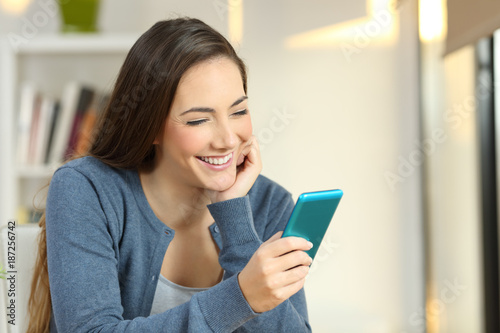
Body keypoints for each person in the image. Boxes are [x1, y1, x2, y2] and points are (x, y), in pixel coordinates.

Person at [28, 17, 313, 332]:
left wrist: (236, 220)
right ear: (150, 127)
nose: (228, 140)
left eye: (238, 111)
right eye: (198, 120)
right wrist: (240, 296)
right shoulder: (86, 188)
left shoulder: (270, 204)